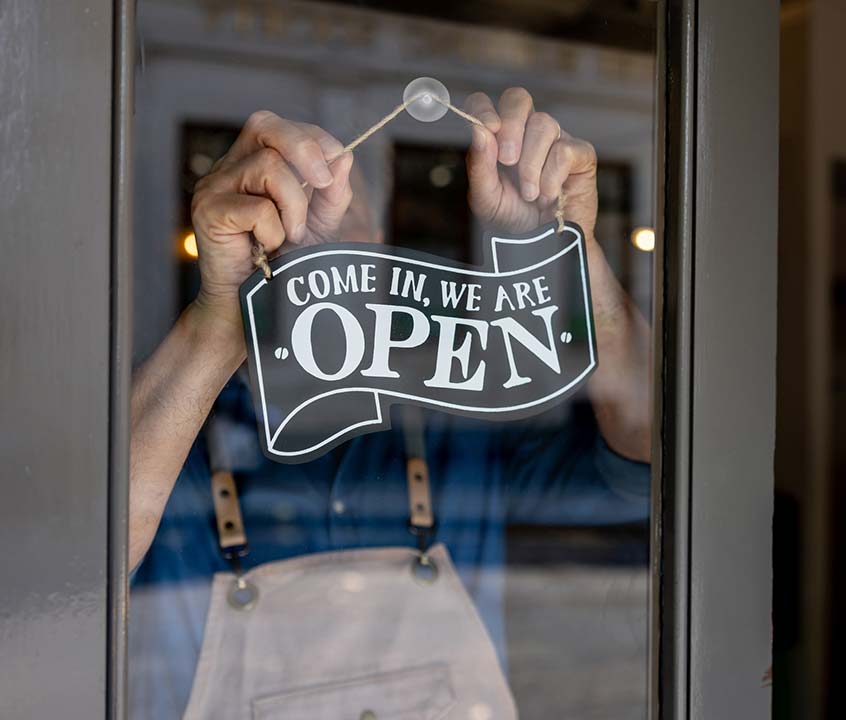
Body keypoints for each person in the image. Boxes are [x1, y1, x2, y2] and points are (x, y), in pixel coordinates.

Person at [129, 87, 652, 719]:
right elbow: (69, 570)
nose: (313, 227)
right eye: (290, 204)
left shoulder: (457, 428)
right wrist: (222, 318)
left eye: (341, 212)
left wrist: (568, 252)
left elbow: (653, 454)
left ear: (376, 242)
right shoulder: (174, 439)